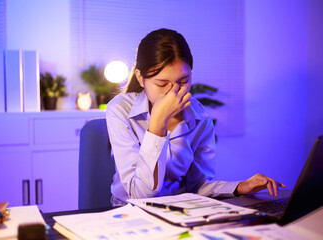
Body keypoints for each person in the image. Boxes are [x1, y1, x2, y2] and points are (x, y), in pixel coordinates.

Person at [106, 28, 285, 206]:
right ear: (140, 78)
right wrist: (157, 125)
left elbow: (198, 185)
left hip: (177, 209)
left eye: (183, 82)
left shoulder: (200, 117)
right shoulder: (120, 109)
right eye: (162, 84)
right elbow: (140, 195)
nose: (174, 91)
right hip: (129, 209)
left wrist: (239, 187)